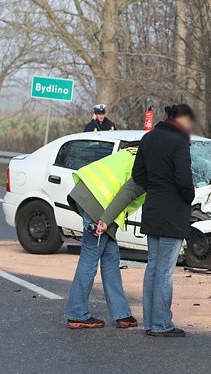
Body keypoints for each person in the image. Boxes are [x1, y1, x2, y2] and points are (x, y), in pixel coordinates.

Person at [63, 147, 145, 329]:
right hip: (101, 203)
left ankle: (122, 314)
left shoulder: (138, 150)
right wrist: (106, 221)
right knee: (89, 258)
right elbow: (125, 195)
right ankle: (76, 313)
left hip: (87, 192)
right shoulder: (149, 167)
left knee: (110, 258)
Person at [132, 104, 196, 337]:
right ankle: (161, 324)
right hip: (172, 211)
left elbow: (137, 174)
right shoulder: (179, 142)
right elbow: (184, 179)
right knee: (165, 271)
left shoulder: (148, 138)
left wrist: (155, 188)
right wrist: (188, 197)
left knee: (153, 266)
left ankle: (150, 322)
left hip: (153, 207)